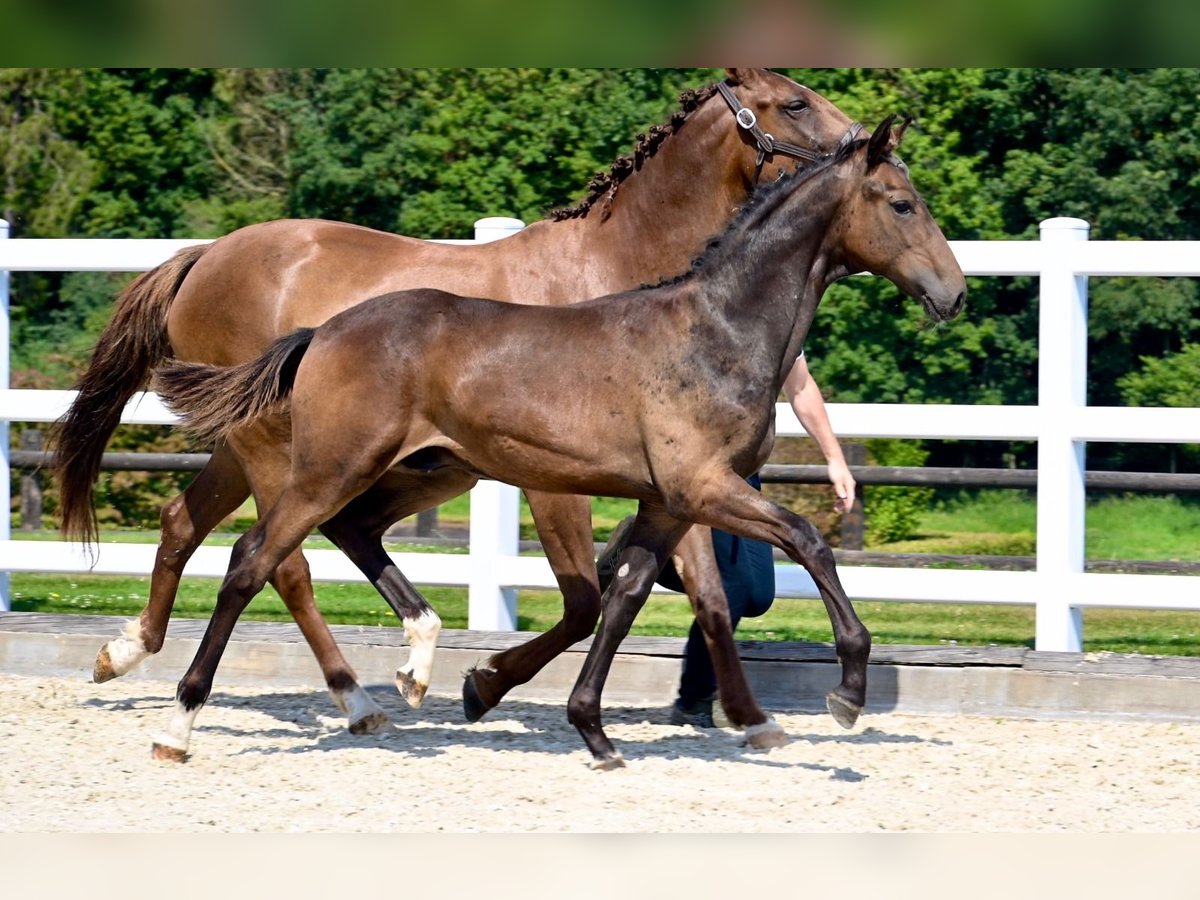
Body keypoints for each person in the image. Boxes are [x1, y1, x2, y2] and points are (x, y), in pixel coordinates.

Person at [595, 350, 856, 728]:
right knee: (731, 587)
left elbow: (799, 386)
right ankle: (694, 699)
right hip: (698, 467)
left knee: (757, 595)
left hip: (743, 471)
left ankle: (635, 552)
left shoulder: (778, 316)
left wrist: (835, 458)